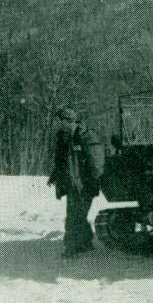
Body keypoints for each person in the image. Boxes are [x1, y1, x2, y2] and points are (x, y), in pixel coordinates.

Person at [47, 107, 105, 258]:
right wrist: (54, 175)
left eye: (58, 121)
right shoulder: (64, 137)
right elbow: (63, 161)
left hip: (83, 184)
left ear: (66, 121)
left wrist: (92, 180)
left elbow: (97, 161)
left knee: (74, 216)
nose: (56, 124)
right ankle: (85, 243)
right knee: (78, 214)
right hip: (72, 183)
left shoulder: (84, 135)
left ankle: (71, 248)